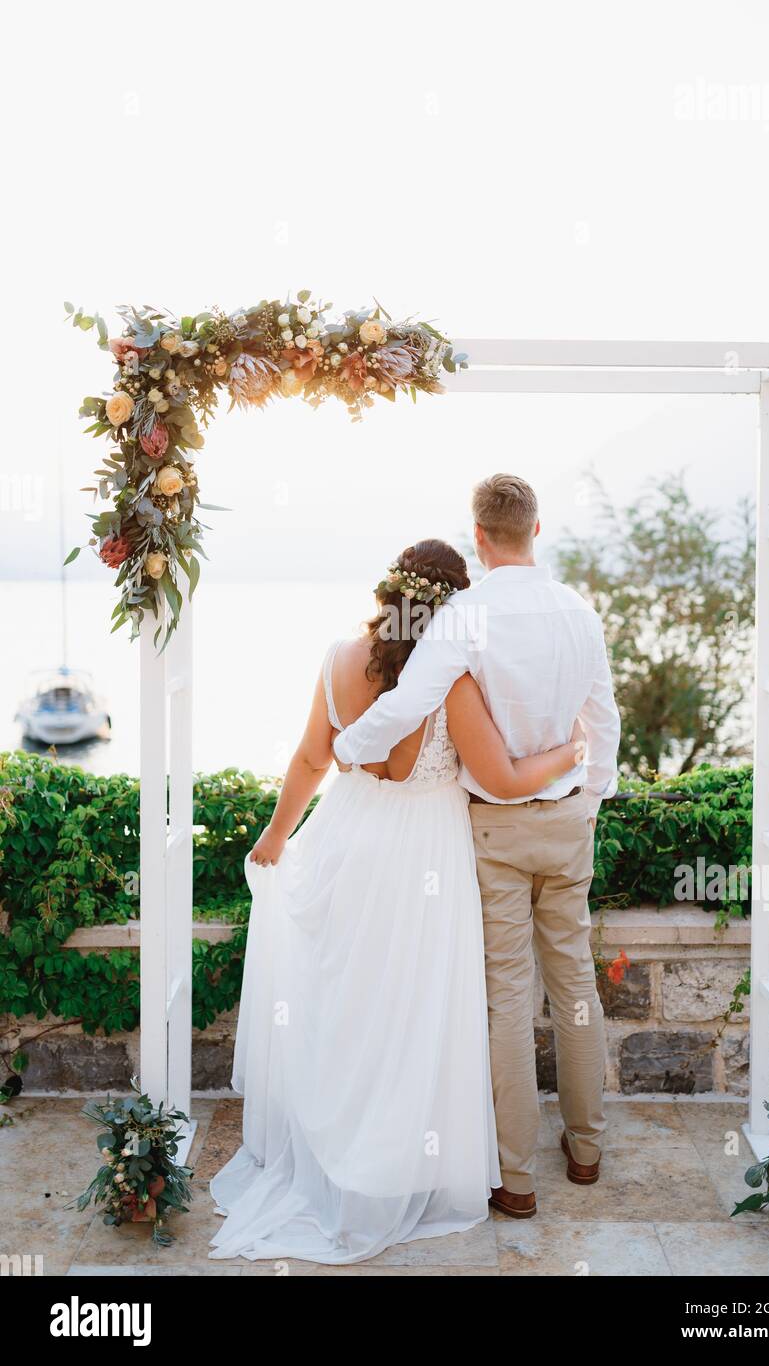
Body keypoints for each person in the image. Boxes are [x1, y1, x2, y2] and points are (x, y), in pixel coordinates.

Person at [209, 537, 582, 1262]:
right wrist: (574, 750)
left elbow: (314, 758)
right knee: (416, 1007)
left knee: (349, 1005)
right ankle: (410, 1162)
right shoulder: (455, 679)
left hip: (350, 837)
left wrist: (276, 835)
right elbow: (501, 778)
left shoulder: (339, 656)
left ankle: (339, 1155)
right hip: (425, 855)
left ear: (389, 593)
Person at [333, 476, 620, 1218]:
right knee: (576, 988)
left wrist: (348, 746)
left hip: (494, 830)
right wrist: (591, 799)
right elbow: (604, 721)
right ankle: (586, 1150)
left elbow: (409, 704)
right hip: (566, 824)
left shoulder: (465, 614)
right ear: (536, 528)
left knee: (507, 1002)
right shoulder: (580, 612)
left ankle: (516, 1179)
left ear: (481, 535)